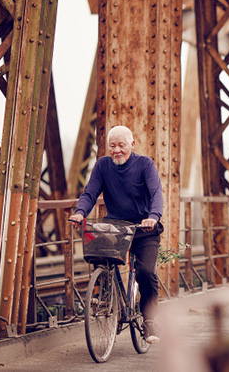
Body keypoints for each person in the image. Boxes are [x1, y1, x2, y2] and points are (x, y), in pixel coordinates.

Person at [68, 126, 164, 345]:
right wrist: (80, 213)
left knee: (146, 271)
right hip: (117, 227)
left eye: (122, 145)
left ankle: (149, 320)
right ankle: (106, 294)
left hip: (144, 228)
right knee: (97, 252)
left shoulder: (145, 165)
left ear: (132, 144)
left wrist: (154, 216)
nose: (117, 150)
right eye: (112, 145)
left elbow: (156, 194)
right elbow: (90, 192)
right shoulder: (102, 165)